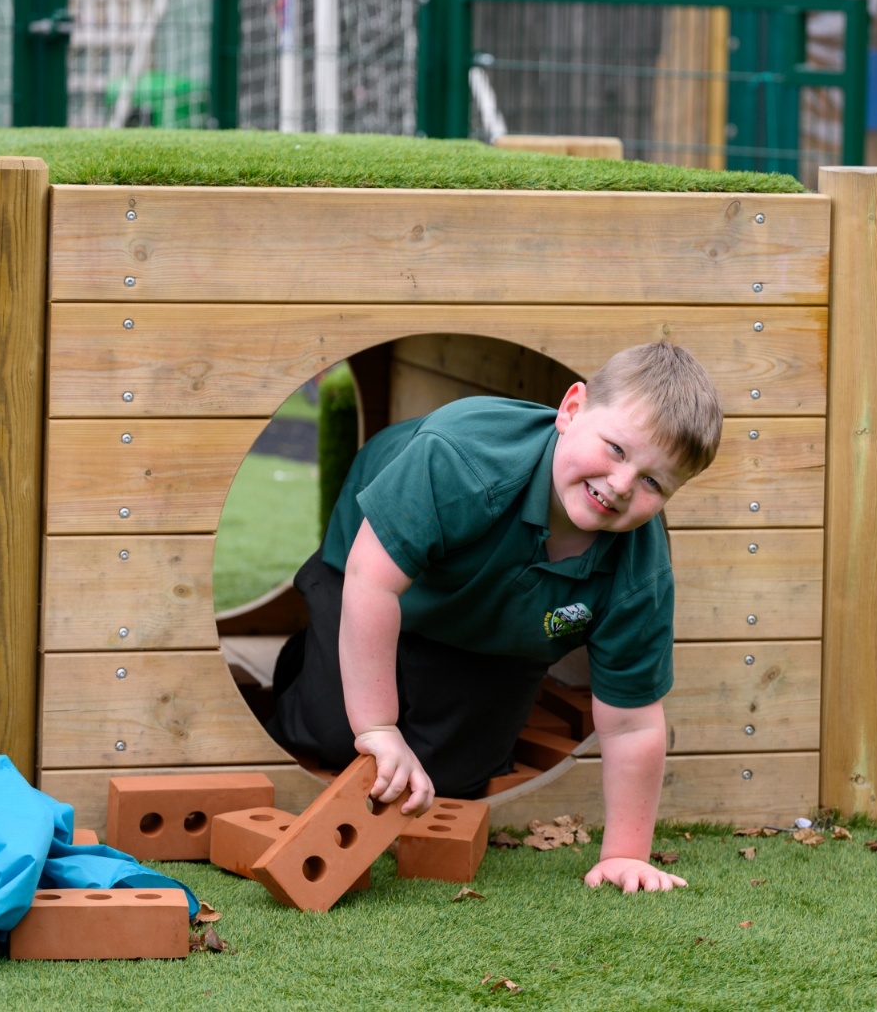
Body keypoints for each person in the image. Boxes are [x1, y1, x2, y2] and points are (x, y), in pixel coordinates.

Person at [267, 341, 721, 894]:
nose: (622, 485)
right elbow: (372, 581)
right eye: (616, 449)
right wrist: (378, 727)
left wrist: (626, 853)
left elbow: (633, 722)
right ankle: (304, 661)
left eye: (653, 482)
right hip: (372, 575)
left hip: (502, 632)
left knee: (455, 775)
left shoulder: (639, 572)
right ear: (571, 409)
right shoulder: (462, 458)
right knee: (335, 734)